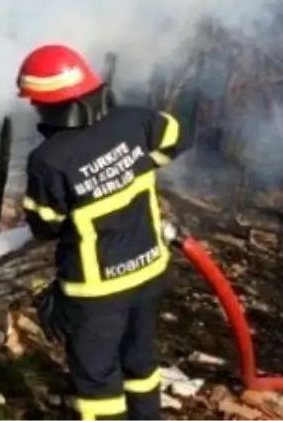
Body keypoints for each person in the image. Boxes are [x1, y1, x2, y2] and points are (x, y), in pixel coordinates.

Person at [16, 43, 191, 421]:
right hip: (149, 271)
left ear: (50, 105)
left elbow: (45, 226)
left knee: (97, 384)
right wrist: (136, 167)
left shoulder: (49, 160)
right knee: (140, 365)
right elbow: (174, 136)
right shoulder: (135, 121)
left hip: (97, 293)